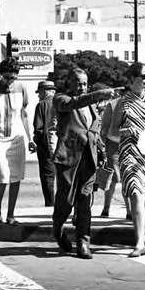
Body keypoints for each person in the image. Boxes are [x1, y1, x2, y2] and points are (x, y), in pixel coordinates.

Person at [52, 68, 115, 259]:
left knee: (85, 201)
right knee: (66, 201)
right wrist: (97, 95)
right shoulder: (61, 99)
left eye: (85, 84)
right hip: (68, 158)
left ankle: (83, 242)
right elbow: (74, 103)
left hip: (89, 158)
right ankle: (58, 230)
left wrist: (101, 149)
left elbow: (93, 130)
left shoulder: (91, 105)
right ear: (70, 83)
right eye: (78, 83)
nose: (82, 87)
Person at [108, 62, 145, 257]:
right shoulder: (123, 102)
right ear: (132, 79)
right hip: (131, 153)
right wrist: (126, 131)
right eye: (143, 76)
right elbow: (112, 132)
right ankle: (139, 241)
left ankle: (143, 237)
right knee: (136, 193)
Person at [0, 57, 37, 226]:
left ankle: (11, 214)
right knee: (3, 175)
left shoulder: (22, 88)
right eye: (7, 77)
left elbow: (24, 115)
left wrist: (30, 138)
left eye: (14, 77)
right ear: (1, 74)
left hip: (17, 137)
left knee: (16, 177)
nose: (10, 81)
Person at [98, 92, 131, 219]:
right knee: (112, 178)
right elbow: (104, 129)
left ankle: (129, 211)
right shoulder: (112, 105)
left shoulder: (139, 103)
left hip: (130, 145)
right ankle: (106, 208)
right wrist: (103, 148)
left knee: (127, 178)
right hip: (113, 144)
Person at [33, 80, 58, 207]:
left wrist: (37, 142)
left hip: (46, 145)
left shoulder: (42, 105)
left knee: (47, 177)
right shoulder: (61, 103)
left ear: (45, 92)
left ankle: (50, 203)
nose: (38, 95)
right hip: (62, 145)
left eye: (40, 92)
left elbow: (38, 128)